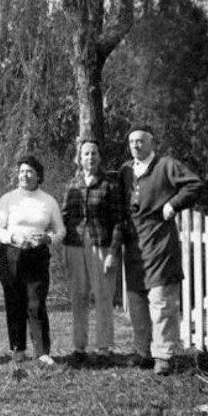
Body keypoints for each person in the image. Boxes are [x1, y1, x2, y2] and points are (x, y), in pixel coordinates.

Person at [120, 126, 202, 376]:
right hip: (134, 244)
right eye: (132, 141)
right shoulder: (125, 170)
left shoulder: (166, 165)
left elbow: (194, 184)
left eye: (141, 141)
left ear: (152, 144)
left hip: (160, 242)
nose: (136, 145)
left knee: (161, 300)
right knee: (136, 300)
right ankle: (142, 351)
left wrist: (173, 204)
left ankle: (164, 355)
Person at [0, 156, 66, 366]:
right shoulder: (8, 199)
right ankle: (18, 349)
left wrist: (47, 238)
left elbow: (60, 230)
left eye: (29, 171)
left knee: (36, 302)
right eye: (22, 171)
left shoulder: (48, 201)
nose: (24, 175)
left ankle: (42, 351)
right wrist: (13, 237)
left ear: (38, 176)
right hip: (11, 255)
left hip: (37, 256)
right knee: (14, 302)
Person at [62, 139, 125, 362]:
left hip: (102, 245)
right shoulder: (72, 184)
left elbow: (119, 221)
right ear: (79, 158)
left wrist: (113, 253)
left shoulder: (110, 184)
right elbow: (65, 216)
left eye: (94, 153)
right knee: (78, 297)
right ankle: (79, 348)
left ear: (99, 157)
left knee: (103, 296)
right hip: (75, 245)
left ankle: (103, 348)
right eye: (86, 154)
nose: (90, 158)